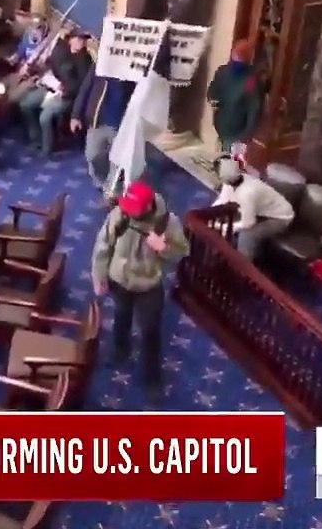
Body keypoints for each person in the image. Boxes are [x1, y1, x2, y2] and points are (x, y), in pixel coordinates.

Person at [92, 180, 188, 386]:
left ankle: (152, 378)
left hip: (148, 284)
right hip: (119, 278)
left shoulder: (168, 222)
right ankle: (120, 349)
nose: (131, 213)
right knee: (121, 314)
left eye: (136, 209)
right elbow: (103, 245)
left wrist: (163, 248)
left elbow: (182, 253)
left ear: (148, 206)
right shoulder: (121, 214)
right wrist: (99, 276)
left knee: (150, 330)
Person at [17, 30, 93, 155]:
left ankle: (46, 149)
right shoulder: (60, 51)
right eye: (79, 39)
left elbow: (82, 85)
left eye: (84, 40)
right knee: (26, 104)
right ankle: (36, 140)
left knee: (45, 117)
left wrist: (65, 90)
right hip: (51, 87)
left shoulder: (85, 60)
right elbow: (50, 68)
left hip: (68, 96)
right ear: (71, 40)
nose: (82, 42)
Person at [211, 158, 294, 260]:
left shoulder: (247, 193)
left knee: (247, 236)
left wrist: (227, 227)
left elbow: (248, 223)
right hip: (261, 212)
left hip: (281, 217)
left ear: (222, 177)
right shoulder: (232, 182)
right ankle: (226, 253)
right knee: (229, 220)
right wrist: (208, 215)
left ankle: (242, 269)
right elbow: (223, 199)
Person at [70, 67, 134, 194]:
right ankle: (102, 184)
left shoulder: (135, 70)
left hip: (121, 125)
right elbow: (85, 89)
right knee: (92, 156)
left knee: (117, 163)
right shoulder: (101, 63)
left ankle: (112, 192)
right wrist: (76, 115)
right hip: (97, 121)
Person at [207, 37, 263, 154]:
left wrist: (246, 135)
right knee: (221, 158)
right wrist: (213, 99)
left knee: (230, 163)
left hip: (238, 131)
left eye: (242, 55)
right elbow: (212, 92)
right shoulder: (223, 72)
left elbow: (254, 108)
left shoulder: (251, 80)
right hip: (221, 126)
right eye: (237, 54)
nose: (238, 57)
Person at [1, 19, 48, 103]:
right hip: (20, 72)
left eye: (38, 29)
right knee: (2, 85)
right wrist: (14, 58)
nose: (34, 32)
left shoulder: (45, 46)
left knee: (13, 98)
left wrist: (31, 68)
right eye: (33, 28)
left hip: (33, 78)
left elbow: (43, 67)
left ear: (43, 31)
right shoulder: (27, 38)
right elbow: (20, 52)